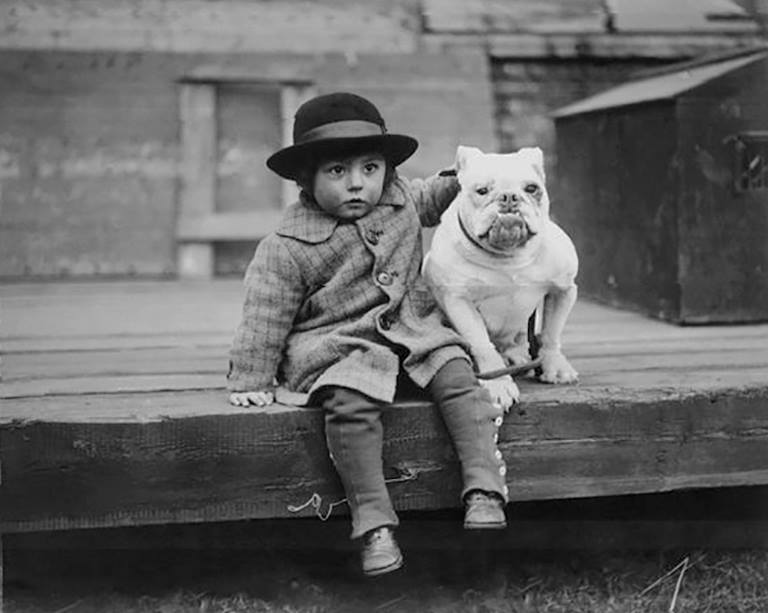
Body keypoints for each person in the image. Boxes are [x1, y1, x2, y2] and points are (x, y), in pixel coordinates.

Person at [227, 92, 508, 577]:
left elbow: (438, 195)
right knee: (350, 404)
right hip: (339, 344)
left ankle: (484, 489)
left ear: (386, 171)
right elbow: (264, 313)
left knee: (459, 373)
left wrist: (471, 177)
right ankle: (375, 523)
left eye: (370, 168)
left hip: (412, 330)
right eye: (337, 171)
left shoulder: (399, 200)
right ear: (306, 180)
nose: (358, 184)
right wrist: (252, 378)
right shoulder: (286, 246)